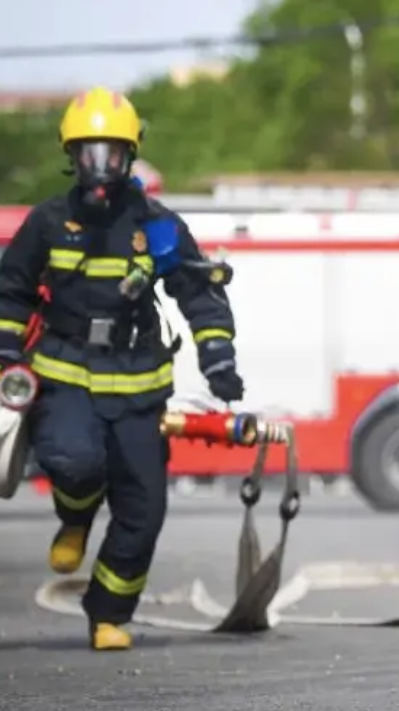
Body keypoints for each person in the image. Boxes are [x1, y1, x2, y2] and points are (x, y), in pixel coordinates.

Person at [0, 88, 245, 650]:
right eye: (88, 153)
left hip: (139, 385)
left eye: (111, 153)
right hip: (65, 374)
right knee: (74, 459)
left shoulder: (157, 227)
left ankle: (108, 615)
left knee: (144, 511)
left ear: (130, 154)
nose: (100, 166)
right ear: (71, 155)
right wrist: (6, 352)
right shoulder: (48, 222)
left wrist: (219, 358)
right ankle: (76, 516)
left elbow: (200, 295)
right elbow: (10, 292)